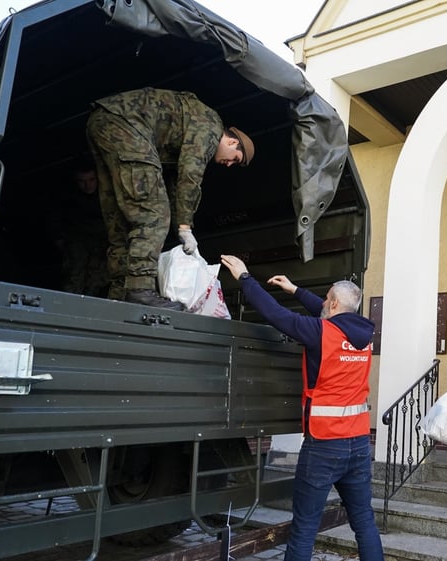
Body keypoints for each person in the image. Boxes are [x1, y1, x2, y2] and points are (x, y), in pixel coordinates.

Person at [218, 254, 383, 561]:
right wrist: (294, 289)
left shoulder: (322, 334)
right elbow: (327, 315)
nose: (323, 303)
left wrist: (244, 277)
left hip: (323, 447)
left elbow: (277, 316)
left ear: (333, 304)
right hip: (359, 444)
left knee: (305, 527)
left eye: (326, 299)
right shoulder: (365, 336)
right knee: (363, 521)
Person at [86, 87, 255, 310]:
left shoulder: (193, 126)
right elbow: (190, 175)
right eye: (235, 159)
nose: (229, 164)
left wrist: (181, 224)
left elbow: (176, 186)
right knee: (154, 214)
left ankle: (120, 291)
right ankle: (139, 290)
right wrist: (185, 227)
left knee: (121, 220)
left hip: (103, 122)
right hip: (128, 126)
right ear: (233, 142)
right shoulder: (211, 128)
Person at [49, 159, 109, 297]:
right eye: (82, 181)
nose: (87, 186)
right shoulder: (67, 197)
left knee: (96, 281)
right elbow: (55, 217)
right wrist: (58, 238)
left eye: (91, 180)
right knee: (73, 278)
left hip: (101, 243)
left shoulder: (107, 194)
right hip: (77, 241)